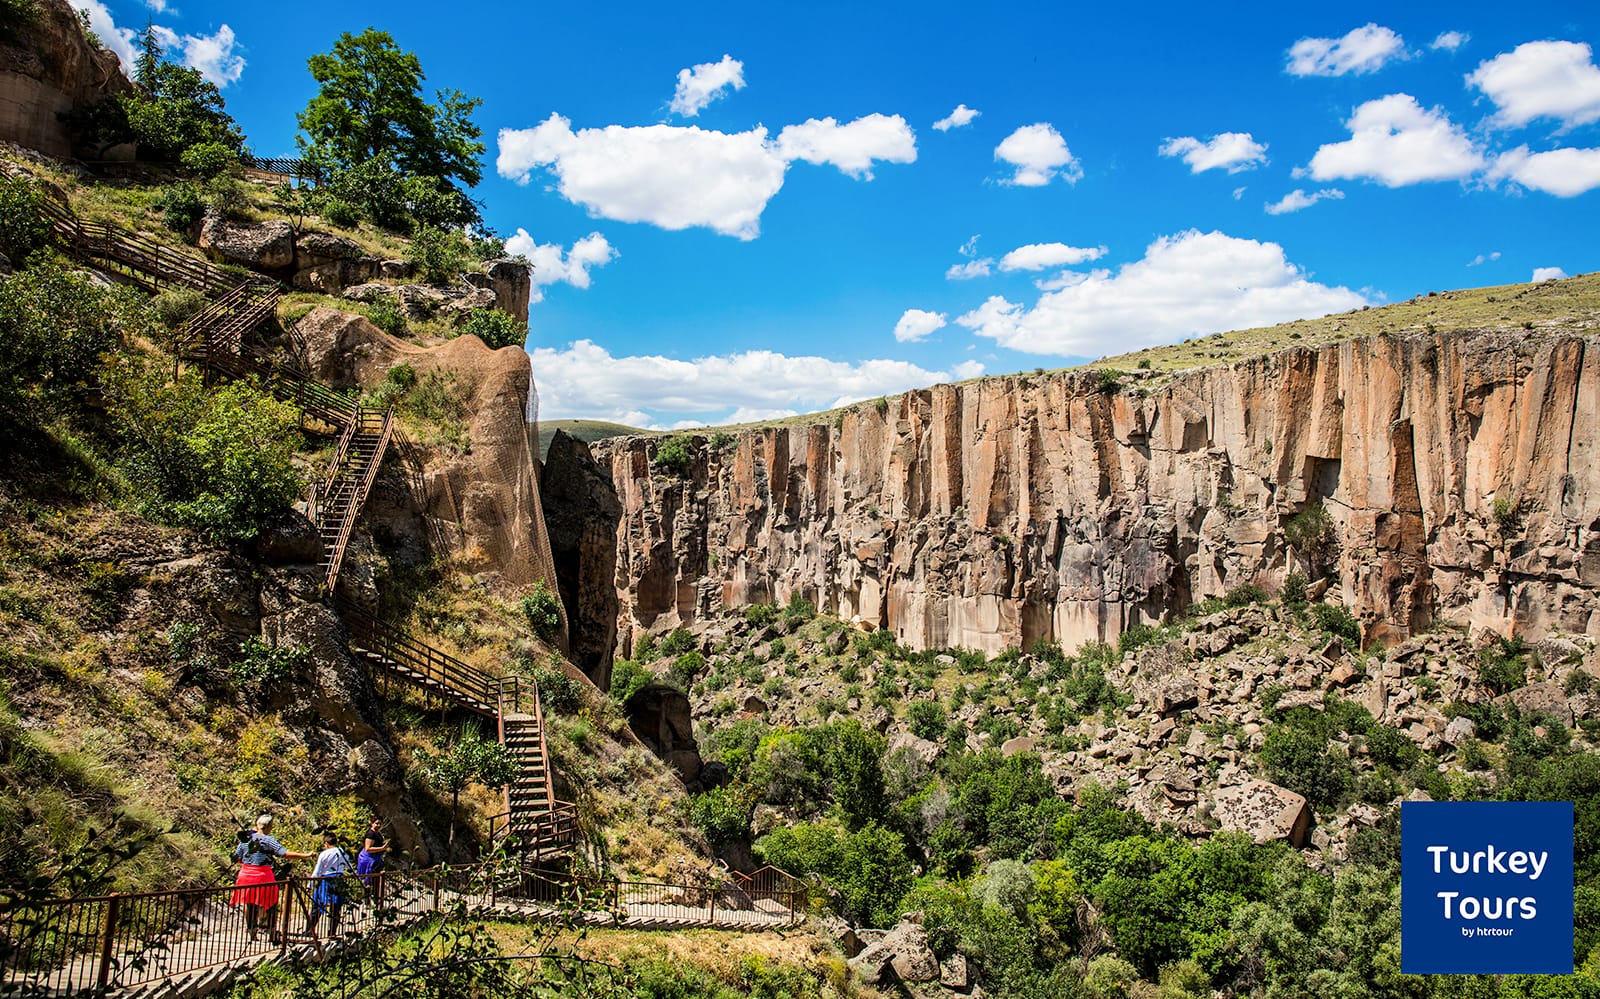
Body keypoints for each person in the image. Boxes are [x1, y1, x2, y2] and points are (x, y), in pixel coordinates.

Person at [229, 815, 314, 942]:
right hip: (263, 876)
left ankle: (252, 933)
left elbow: (236, 857)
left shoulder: (246, 840)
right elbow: (284, 854)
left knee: (250, 904)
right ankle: (271, 933)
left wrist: (248, 861)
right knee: (270, 904)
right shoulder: (268, 840)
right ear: (269, 827)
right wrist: (305, 855)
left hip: (245, 875)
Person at [307, 830, 350, 937]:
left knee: (318, 904)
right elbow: (349, 866)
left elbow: (317, 870)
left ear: (326, 844)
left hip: (326, 879)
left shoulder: (324, 854)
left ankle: (310, 930)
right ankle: (332, 932)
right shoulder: (343, 852)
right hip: (339, 879)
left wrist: (310, 884)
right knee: (336, 907)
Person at [357, 816, 389, 902]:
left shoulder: (377, 833)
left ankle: (376, 899)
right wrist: (382, 848)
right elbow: (368, 848)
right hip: (369, 860)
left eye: (380, 824)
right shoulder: (371, 834)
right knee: (370, 880)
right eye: (376, 823)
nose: (378, 825)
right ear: (372, 823)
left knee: (376, 880)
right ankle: (368, 900)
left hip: (376, 859)